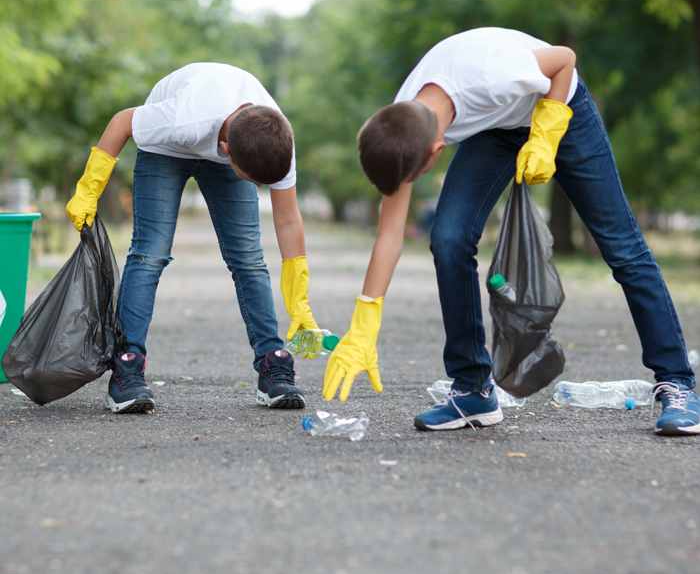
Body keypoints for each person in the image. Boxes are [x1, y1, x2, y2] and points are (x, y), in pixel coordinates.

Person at [322, 27, 700, 436]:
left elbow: (563, 58)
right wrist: (364, 319)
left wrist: (546, 133)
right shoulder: (401, 125)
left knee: (622, 246)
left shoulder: (493, 75)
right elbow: (389, 235)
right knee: (448, 239)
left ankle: (677, 382)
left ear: (435, 151)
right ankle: (472, 389)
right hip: (496, 125)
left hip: (560, 104)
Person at [66, 62, 319, 414]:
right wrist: (88, 188)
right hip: (167, 148)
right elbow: (122, 121)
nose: (259, 188)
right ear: (227, 151)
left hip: (231, 132)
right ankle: (127, 368)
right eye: (254, 181)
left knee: (248, 257)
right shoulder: (181, 119)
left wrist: (300, 300)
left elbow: (289, 220)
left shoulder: (276, 140)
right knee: (149, 253)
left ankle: (272, 363)